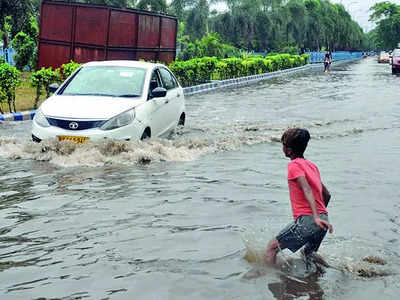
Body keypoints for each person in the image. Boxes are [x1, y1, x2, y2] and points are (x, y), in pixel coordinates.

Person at [264, 128, 333, 267]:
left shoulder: (293, 165)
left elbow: (306, 188)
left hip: (311, 219)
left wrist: (313, 217)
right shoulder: (312, 166)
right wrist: (320, 216)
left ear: (288, 150)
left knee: (272, 248)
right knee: (308, 254)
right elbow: (327, 194)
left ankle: (268, 277)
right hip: (324, 220)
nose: (282, 148)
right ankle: (338, 269)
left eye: (283, 145)